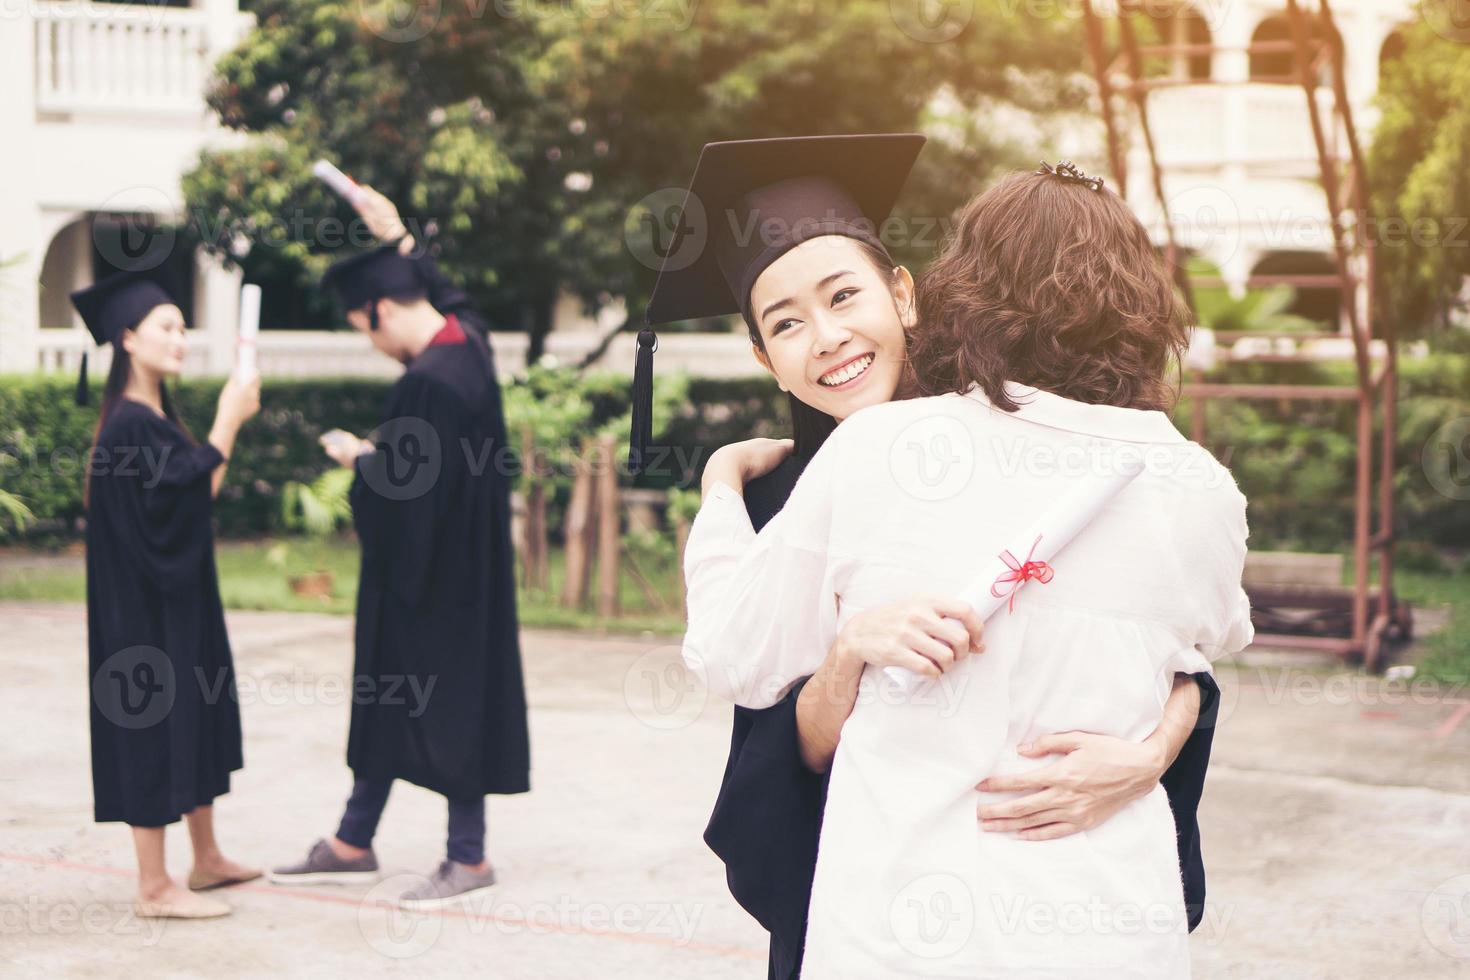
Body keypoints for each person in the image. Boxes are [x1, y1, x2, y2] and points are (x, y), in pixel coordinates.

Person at [637, 136, 1224, 978]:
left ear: (904, 294)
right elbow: (772, 748)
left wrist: (1153, 754)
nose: (828, 338)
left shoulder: (1042, 430)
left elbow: (1161, 648)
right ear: (765, 359)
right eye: (787, 324)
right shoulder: (779, 505)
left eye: (845, 296)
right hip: (865, 890)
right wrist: (845, 651)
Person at [271, 222, 530, 911]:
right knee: (389, 703)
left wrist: (359, 460)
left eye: (364, 327)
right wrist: (407, 242)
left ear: (381, 310)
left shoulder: (427, 385)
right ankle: (354, 842)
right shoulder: (468, 345)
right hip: (461, 571)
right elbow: (462, 300)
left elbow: (404, 498)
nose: (372, 341)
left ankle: (468, 855)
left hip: (430, 581)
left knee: (447, 705)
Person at [76, 267, 262, 919]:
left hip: (179, 596)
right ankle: (154, 886)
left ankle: (205, 859)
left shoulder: (155, 415)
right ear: (128, 339)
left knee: (198, 716)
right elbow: (180, 495)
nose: (182, 339)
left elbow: (194, 493)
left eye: (184, 327)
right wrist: (228, 420)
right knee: (156, 723)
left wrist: (220, 430)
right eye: (168, 328)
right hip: (143, 614)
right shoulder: (130, 426)